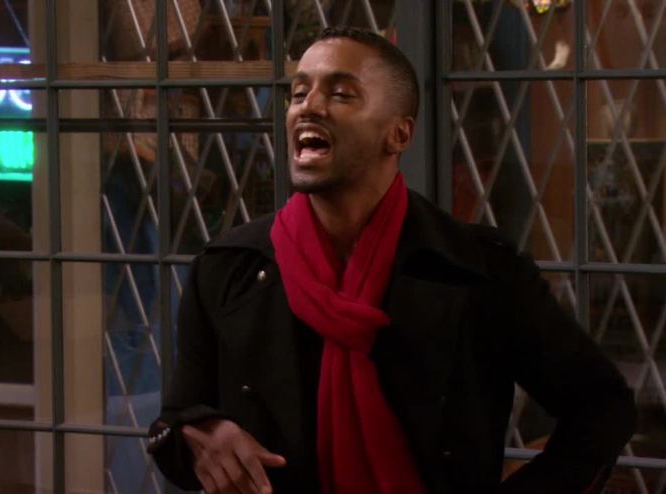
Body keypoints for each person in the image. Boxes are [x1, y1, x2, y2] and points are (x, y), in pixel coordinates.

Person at [147, 27, 636, 493]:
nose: (308, 106)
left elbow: (601, 407)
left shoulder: (480, 271)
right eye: (298, 93)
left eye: (341, 94)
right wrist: (201, 434)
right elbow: (175, 422)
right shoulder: (226, 269)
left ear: (398, 135)